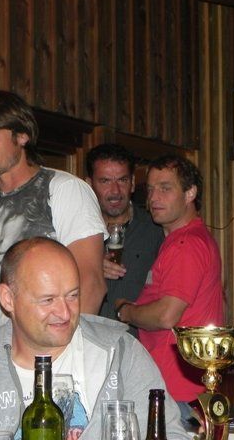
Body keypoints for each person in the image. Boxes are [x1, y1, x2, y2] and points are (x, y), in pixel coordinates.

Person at [0, 237, 191, 440]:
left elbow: (170, 435)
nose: (65, 313)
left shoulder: (122, 355)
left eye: (73, 296)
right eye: (48, 300)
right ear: (8, 299)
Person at [0, 90, 106, 351]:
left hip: (50, 355)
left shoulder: (63, 189)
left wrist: (62, 358)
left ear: (22, 136)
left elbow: (91, 282)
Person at [115, 154, 224, 422]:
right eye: (150, 189)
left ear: (190, 193)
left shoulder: (186, 244)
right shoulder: (184, 240)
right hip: (181, 386)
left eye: (165, 188)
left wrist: (126, 312)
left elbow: (166, 315)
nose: (154, 198)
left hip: (177, 391)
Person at [85, 143, 164, 335]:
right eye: (105, 181)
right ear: (89, 185)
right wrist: (88, 265)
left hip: (139, 347)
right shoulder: (75, 232)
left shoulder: (156, 229)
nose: (115, 191)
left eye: (122, 180)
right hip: (88, 343)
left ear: (133, 183)